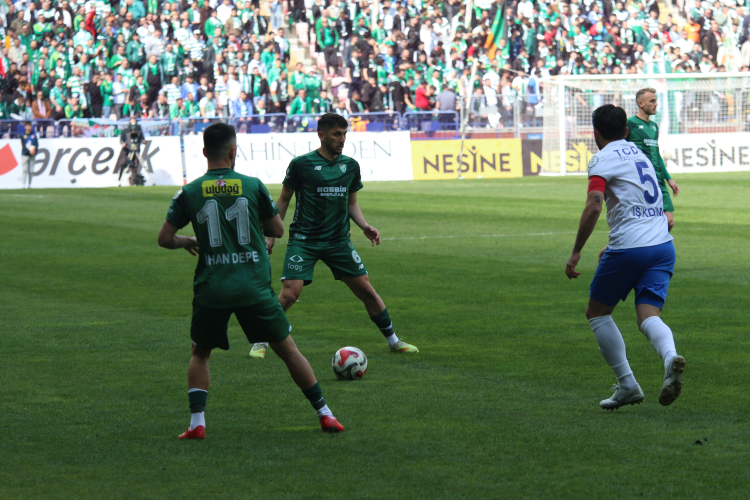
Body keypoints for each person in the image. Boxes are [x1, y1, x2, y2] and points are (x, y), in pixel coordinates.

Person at [157, 123, 344, 438]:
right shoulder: (252, 185)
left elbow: (164, 238)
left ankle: (197, 423)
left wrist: (187, 239)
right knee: (288, 351)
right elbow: (277, 230)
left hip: (212, 287)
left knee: (200, 353)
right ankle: (325, 414)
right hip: (253, 286)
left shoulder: (190, 191)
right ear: (233, 152)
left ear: (204, 152)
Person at [249, 114, 418, 358]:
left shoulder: (350, 166)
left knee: (366, 290)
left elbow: (352, 203)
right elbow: (283, 200)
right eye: (337, 134)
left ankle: (394, 341)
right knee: (290, 294)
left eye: (344, 134)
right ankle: (261, 340)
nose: (342, 139)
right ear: (321, 135)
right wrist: (271, 235)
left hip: (338, 241)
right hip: (304, 240)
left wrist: (364, 226)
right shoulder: (301, 164)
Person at [565, 104, 685, 410]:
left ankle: (628, 384)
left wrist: (577, 251)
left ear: (595, 133)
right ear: (626, 130)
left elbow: (594, 206)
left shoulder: (601, 159)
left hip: (630, 249)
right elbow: (637, 202)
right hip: (663, 246)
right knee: (648, 316)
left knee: (597, 313)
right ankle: (670, 357)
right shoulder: (640, 154)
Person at [627, 88, 680, 232]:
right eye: (652, 101)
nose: (656, 104)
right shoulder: (629, 124)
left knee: (669, 221)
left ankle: (654, 244)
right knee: (645, 224)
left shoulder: (654, 126)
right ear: (641, 103)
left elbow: (656, 154)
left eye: (656, 101)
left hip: (659, 181)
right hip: (642, 182)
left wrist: (669, 179)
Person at [21, 122, 39, 189]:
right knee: (24, 170)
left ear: (31, 127)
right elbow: (23, 146)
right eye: (27, 126)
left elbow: (36, 144)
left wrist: (34, 151)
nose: (28, 127)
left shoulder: (34, 135)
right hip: (25, 154)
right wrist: (29, 152)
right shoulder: (22, 135)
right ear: (25, 127)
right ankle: (23, 184)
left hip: (32, 154)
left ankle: (29, 185)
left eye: (29, 126)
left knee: (31, 171)